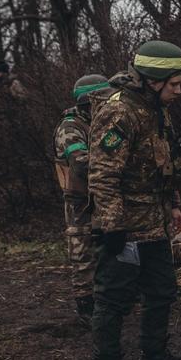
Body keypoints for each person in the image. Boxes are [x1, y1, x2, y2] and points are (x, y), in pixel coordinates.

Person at [88, 40, 181, 360]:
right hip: (126, 228)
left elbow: (165, 163)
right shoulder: (119, 113)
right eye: (174, 83)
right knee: (114, 299)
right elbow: (102, 175)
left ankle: (155, 357)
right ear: (152, 80)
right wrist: (113, 226)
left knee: (162, 291)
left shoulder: (157, 110)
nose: (179, 90)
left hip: (155, 224)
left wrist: (174, 204)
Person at [53, 74, 111, 325]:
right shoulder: (70, 127)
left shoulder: (101, 122)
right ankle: (86, 306)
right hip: (79, 200)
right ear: (91, 101)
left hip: (102, 196)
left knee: (107, 249)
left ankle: (106, 300)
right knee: (82, 251)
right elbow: (80, 164)